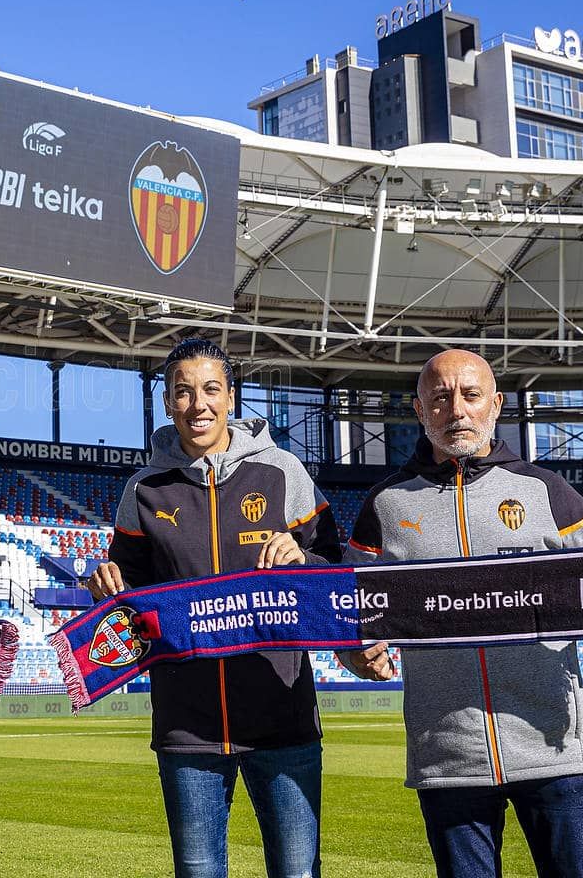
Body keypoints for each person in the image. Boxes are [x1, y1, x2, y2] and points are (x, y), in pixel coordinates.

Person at [340, 349, 583, 878]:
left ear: (496, 404)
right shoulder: (386, 504)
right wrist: (355, 651)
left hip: (556, 749)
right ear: (420, 409)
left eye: (471, 395)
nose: (457, 410)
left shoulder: (547, 490)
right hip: (448, 755)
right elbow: (351, 602)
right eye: (441, 398)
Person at [86, 338, 341, 878]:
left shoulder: (282, 471)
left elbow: (337, 572)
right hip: (187, 724)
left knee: (298, 871)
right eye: (183, 392)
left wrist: (304, 557)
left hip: (283, 714)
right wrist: (106, 585)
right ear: (167, 402)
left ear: (230, 397)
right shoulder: (144, 489)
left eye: (210, 389)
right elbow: (127, 599)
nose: (197, 404)